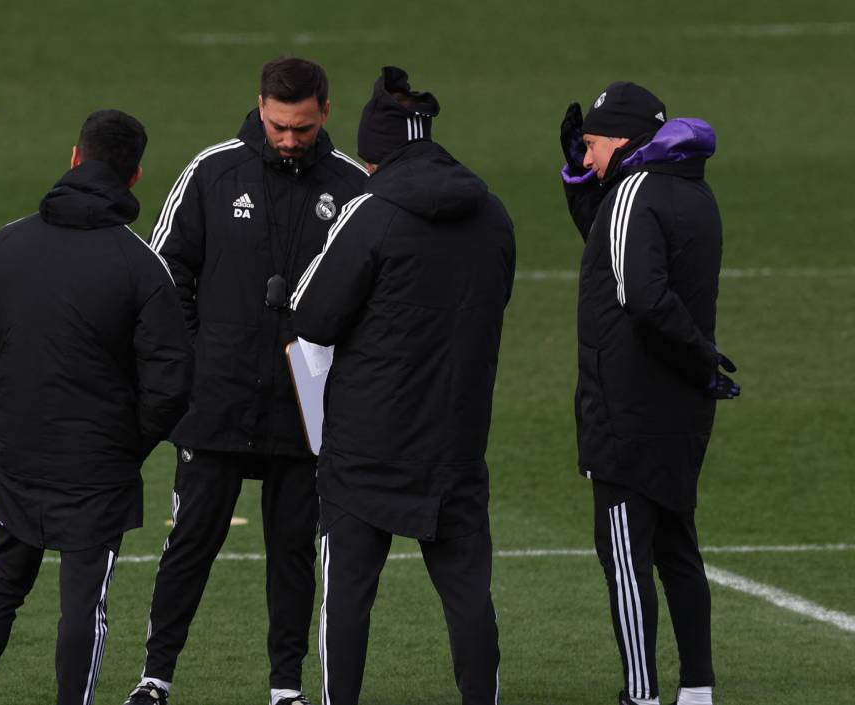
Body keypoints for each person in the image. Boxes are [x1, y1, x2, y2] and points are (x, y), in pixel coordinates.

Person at [124, 56, 367, 705]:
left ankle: (285, 686)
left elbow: (377, 291)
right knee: (191, 541)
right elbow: (163, 272)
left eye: (304, 127)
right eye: (281, 125)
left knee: (292, 551)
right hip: (216, 400)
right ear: (261, 107)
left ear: (325, 112)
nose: (290, 138)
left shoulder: (351, 186)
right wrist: (199, 359)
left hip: (307, 404)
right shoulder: (212, 170)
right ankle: (155, 676)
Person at [0, 109, 192, 705]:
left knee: (2, 585)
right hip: (99, 469)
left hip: (19, 458)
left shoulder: (4, 248)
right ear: (134, 178)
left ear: (74, 157)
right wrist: (126, 442)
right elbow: (170, 382)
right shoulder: (142, 267)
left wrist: (3, 423)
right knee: (84, 603)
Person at [289, 66, 514, 705]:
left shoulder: (372, 212)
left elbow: (313, 316)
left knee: (348, 598)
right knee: (469, 594)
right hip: (457, 439)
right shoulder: (493, 212)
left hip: (367, 444)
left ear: (373, 150)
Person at [559, 81, 741, 705]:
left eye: (592, 146)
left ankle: (640, 695)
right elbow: (616, 251)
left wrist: (700, 356)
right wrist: (702, 367)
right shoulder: (693, 189)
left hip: (625, 405)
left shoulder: (634, 191)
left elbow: (639, 295)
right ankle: (698, 690)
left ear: (625, 138)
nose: (586, 159)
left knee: (626, 560)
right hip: (680, 407)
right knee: (677, 547)